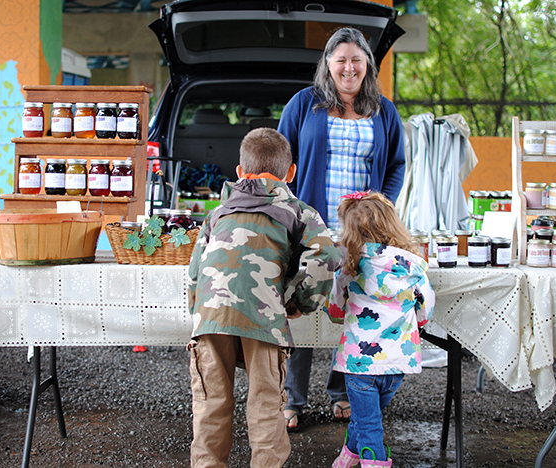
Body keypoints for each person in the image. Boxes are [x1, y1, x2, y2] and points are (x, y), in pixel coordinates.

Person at [186, 127, 344, 468]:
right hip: (264, 316)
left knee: (210, 403)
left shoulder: (217, 213)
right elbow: (327, 257)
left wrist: (199, 315)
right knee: (266, 405)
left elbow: (195, 273)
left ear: (240, 172)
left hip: (210, 317)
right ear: (291, 173)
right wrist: (299, 302)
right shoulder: (299, 211)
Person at [277, 26, 406, 431]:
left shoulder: (383, 110)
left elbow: (398, 164)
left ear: (367, 64)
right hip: (311, 226)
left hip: (361, 232)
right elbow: (282, 158)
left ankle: (340, 393)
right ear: (328, 65)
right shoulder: (304, 104)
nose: (349, 68)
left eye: (356, 59)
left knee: (354, 310)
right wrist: (288, 211)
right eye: (341, 60)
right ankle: (292, 399)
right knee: (301, 305)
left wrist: (378, 208)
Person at [326, 191, 435, 468]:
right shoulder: (413, 266)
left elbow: (334, 310)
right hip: (398, 362)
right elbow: (425, 311)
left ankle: (370, 461)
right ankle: (348, 457)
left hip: (359, 365)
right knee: (367, 419)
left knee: (370, 427)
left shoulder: (348, 268)